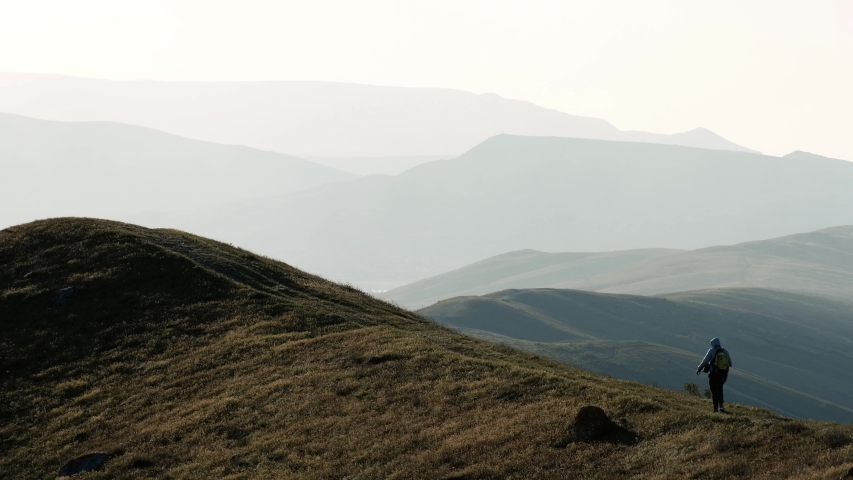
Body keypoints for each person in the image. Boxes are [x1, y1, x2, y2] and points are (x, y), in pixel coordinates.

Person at [695, 337, 732, 412]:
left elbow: (705, 361)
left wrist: (699, 369)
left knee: (714, 390)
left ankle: (715, 408)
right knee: (720, 389)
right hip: (723, 374)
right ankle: (721, 406)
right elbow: (730, 363)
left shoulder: (711, 351)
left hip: (714, 374)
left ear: (713, 344)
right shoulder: (725, 351)